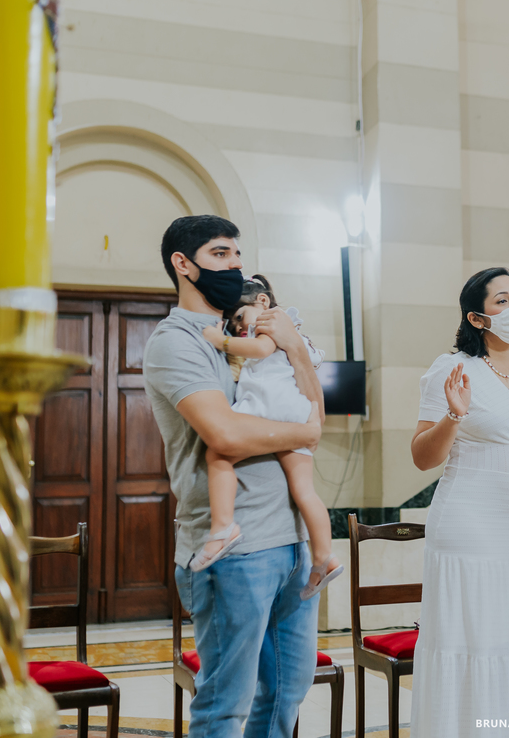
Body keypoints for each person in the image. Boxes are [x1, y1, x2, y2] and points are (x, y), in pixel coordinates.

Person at [143, 215, 323, 737]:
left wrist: (292, 348)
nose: (235, 265)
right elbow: (225, 435)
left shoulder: (250, 332)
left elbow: (313, 415)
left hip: (291, 541)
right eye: (221, 254)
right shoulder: (177, 341)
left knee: (287, 694)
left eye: (238, 256)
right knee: (226, 705)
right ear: (183, 264)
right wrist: (300, 432)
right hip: (235, 550)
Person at [409, 268, 509, 737]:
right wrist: (454, 416)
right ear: (477, 317)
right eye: (502, 301)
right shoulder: (451, 369)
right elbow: (422, 457)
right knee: (473, 639)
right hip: (471, 527)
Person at [193, 274, 342, 599]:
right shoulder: (292, 332)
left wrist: (220, 341)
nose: (237, 328)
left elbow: (260, 349)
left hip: (271, 408)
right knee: (305, 491)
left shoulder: (273, 324)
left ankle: (222, 527)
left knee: (218, 454)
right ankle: (324, 557)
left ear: (261, 302)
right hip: (297, 411)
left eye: (238, 318)